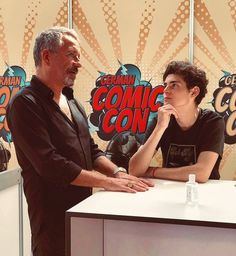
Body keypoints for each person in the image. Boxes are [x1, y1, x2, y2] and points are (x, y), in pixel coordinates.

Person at [6, 27, 153, 256]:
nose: (78, 63)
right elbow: (50, 164)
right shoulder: (25, 104)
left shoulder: (73, 102)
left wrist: (118, 173)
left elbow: (91, 151)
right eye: (72, 55)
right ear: (46, 56)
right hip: (52, 227)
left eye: (79, 57)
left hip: (84, 214)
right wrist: (107, 182)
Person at [129, 61, 225, 183]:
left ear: (194, 92)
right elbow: (134, 170)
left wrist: (152, 171)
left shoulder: (212, 122)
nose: (165, 90)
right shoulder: (161, 120)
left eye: (174, 85)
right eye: (165, 85)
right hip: (170, 189)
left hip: (202, 193)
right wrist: (160, 128)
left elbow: (201, 173)